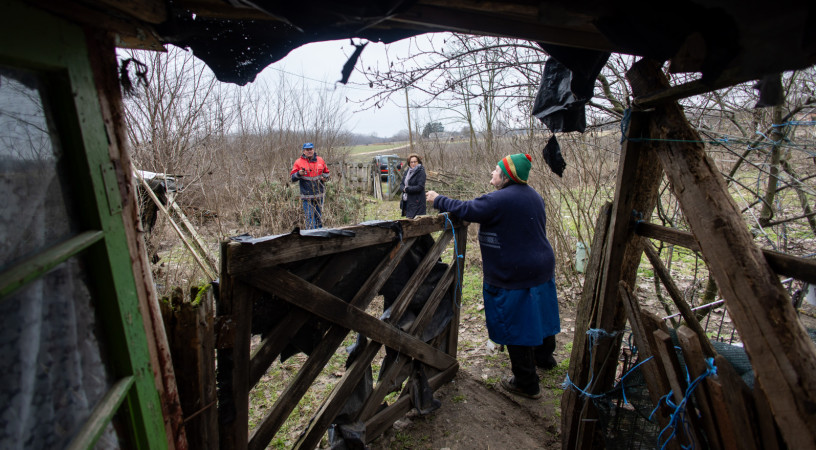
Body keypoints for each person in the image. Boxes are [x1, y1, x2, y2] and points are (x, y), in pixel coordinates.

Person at [425, 153, 559, 399]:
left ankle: (526, 383)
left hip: (515, 273)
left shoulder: (499, 199)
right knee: (539, 313)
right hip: (541, 266)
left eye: (496, 170)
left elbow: (467, 209)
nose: (491, 173)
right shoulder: (534, 196)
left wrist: (438, 199)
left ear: (506, 176)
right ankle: (545, 357)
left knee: (516, 324)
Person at [290, 142, 330, 229]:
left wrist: (325, 178)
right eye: (307, 150)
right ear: (303, 151)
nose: (309, 151)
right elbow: (292, 178)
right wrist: (299, 174)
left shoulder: (320, 160)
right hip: (307, 197)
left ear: (313, 150)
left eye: (311, 149)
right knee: (310, 220)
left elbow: (327, 174)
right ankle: (311, 239)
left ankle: (320, 238)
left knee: (319, 218)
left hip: (319, 196)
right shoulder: (298, 162)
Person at [399, 153, 427, 218]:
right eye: (411, 162)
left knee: (417, 223)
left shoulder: (421, 172)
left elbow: (420, 187)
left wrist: (407, 189)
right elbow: (402, 184)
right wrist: (403, 188)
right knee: (409, 222)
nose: (413, 163)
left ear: (418, 162)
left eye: (415, 162)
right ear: (409, 163)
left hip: (417, 202)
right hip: (408, 201)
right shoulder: (407, 171)